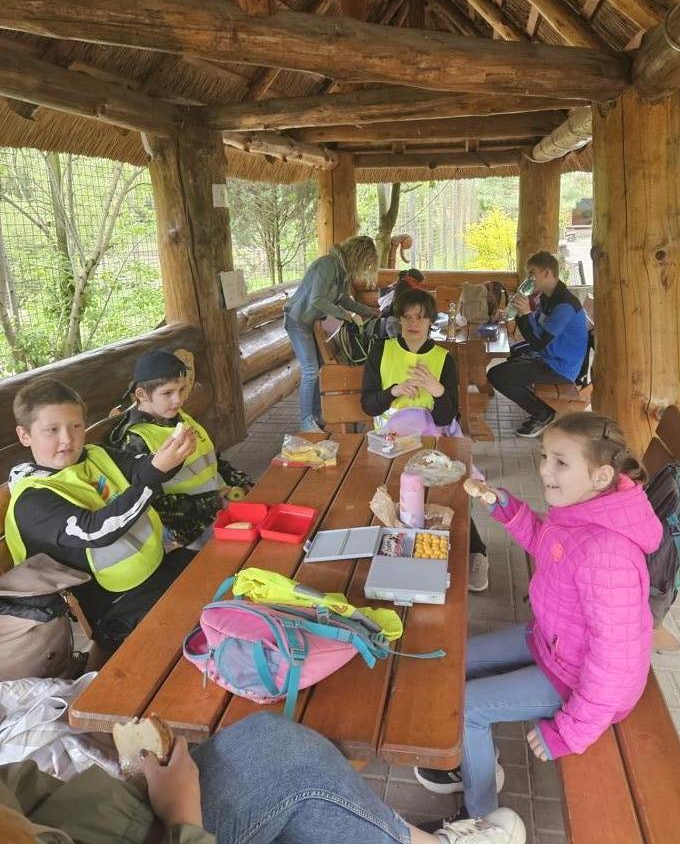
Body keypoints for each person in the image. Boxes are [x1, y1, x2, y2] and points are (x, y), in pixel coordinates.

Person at [416, 412, 661, 819]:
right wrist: (506, 508)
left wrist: (569, 731)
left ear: (601, 476)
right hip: (551, 641)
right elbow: (549, 544)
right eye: (545, 455)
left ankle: (481, 821)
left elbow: (614, 664)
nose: (545, 469)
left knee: (468, 705)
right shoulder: (586, 509)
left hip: (580, 681)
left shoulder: (608, 555)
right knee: (454, 659)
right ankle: (477, 757)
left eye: (561, 462)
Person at [0, 711, 526, 844]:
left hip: (104, 819)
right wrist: (181, 816)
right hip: (148, 831)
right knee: (294, 768)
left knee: (263, 736)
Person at [6, 377, 197, 652]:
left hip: (154, 570)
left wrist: (172, 457)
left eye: (76, 426)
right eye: (52, 430)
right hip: (112, 611)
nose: (67, 439)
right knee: (198, 627)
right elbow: (95, 530)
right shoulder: (32, 500)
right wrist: (155, 473)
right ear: (25, 435)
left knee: (222, 575)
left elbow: (144, 469)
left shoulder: (94, 455)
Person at [361, 288, 491, 595]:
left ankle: (477, 552)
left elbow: (447, 417)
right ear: (398, 320)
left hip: (433, 439)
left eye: (420, 317)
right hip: (391, 440)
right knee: (391, 488)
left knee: (445, 488)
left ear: (431, 321)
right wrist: (393, 391)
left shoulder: (442, 358)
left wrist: (436, 389)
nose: (413, 323)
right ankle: (402, 547)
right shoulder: (381, 350)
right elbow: (368, 405)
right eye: (406, 317)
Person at [109, 350, 253, 548]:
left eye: (182, 389)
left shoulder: (179, 417)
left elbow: (212, 460)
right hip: (188, 531)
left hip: (218, 509)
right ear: (142, 395)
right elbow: (152, 503)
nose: (179, 400)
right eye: (167, 393)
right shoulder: (134, 441)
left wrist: (241, 481)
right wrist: (215, 502)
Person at [487, 251, 588, 438]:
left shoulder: (564, 305)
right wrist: (519, 313)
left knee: (496, 375)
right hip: (550, 356)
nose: (528, 279)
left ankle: (543, 413)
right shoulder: (548, 297)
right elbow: (537, 332)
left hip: (560, 367)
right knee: (514, 353)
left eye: (531, 273)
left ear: (547, 273)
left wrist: (525, 314)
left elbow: (538, 342)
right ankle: (536, 404)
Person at [284, 235, 380, 432]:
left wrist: (368, 311)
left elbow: (344, 300)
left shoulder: (341, 271)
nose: (363, 269)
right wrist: (346, 315)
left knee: (318, 369)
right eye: (365, 263)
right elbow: (317, 300)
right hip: (297, 321)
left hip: (309, 322)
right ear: (357, 256)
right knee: (310, 371)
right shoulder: (328, 265)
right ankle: (305, 422)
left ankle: (317, 415)